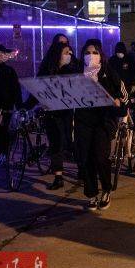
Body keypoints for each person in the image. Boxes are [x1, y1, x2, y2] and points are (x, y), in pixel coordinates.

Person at [75, 39, 127, 211]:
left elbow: (120, 93)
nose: (91, 56)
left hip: (103, 121)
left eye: (95, 53)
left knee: (100, 156)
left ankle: (106, 189)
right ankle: (91, 193)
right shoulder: (77, 72)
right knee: (86, 159)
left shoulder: (108, 72)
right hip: (83, 121)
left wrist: (118, 101)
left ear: (101, 55)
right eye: (87, 53)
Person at [24, 42, 78, 189]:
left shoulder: (73, 70)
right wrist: (27, 105)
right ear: (58, 54)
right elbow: (37, 91)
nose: (69, 55)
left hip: (68, 113)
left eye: (70, 52)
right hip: (52, 113)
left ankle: (82, 170)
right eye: (66, 52)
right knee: (55, 144)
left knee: (70, 142)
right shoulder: (46, 71)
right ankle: (58, 176)